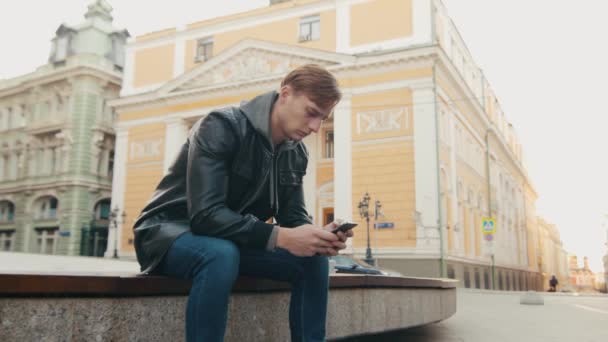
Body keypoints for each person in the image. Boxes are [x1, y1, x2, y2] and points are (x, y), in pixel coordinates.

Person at [132, 64, 352, 342]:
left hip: (230, 241)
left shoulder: (295, 152)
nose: (316, 127)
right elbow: (205, 216)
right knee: (220, 254)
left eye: (323, 118)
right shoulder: (221, 126)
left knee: (314, 263)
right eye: (311, 113)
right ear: (285, 94)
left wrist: (320, 237)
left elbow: (294, 217)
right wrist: (280, 236)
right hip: (169, 233)